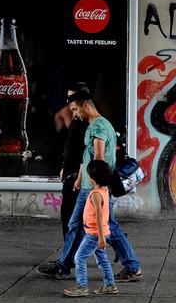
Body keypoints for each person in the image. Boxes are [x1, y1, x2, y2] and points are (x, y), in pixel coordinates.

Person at [37, 87, 143, 282]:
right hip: (87, 185)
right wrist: (79, 178)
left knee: (107, 227)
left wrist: (96, 190)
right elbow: (87, 156)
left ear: (85, 106)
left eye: (76, 110)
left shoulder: (98, 127)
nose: (75, 114)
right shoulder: (97, 125)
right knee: (76, 225)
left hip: (94, 189)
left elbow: (99, 158)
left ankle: (132, 266)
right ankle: (63, 267)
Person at [63, 160, 118, 297]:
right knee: (102, 260)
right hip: (98, 232)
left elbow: (99, 215)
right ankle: (110, 285)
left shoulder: (95, 195)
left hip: (93, 234)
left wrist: (99, 237)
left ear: (92, 179)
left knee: (79, 257)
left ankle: (82, 287)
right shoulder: (104, 191)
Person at [58, 82, 89, 240]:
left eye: (72, 98)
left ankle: (69, 256)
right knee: (69, 218)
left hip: (76, 177)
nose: (69, 103)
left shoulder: (87, 122)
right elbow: (72, 147)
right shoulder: (78, 120)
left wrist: (79, 176)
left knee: (72, 219)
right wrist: (65, 166)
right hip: (71, 174)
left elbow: (86, 151)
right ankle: (69, 255)